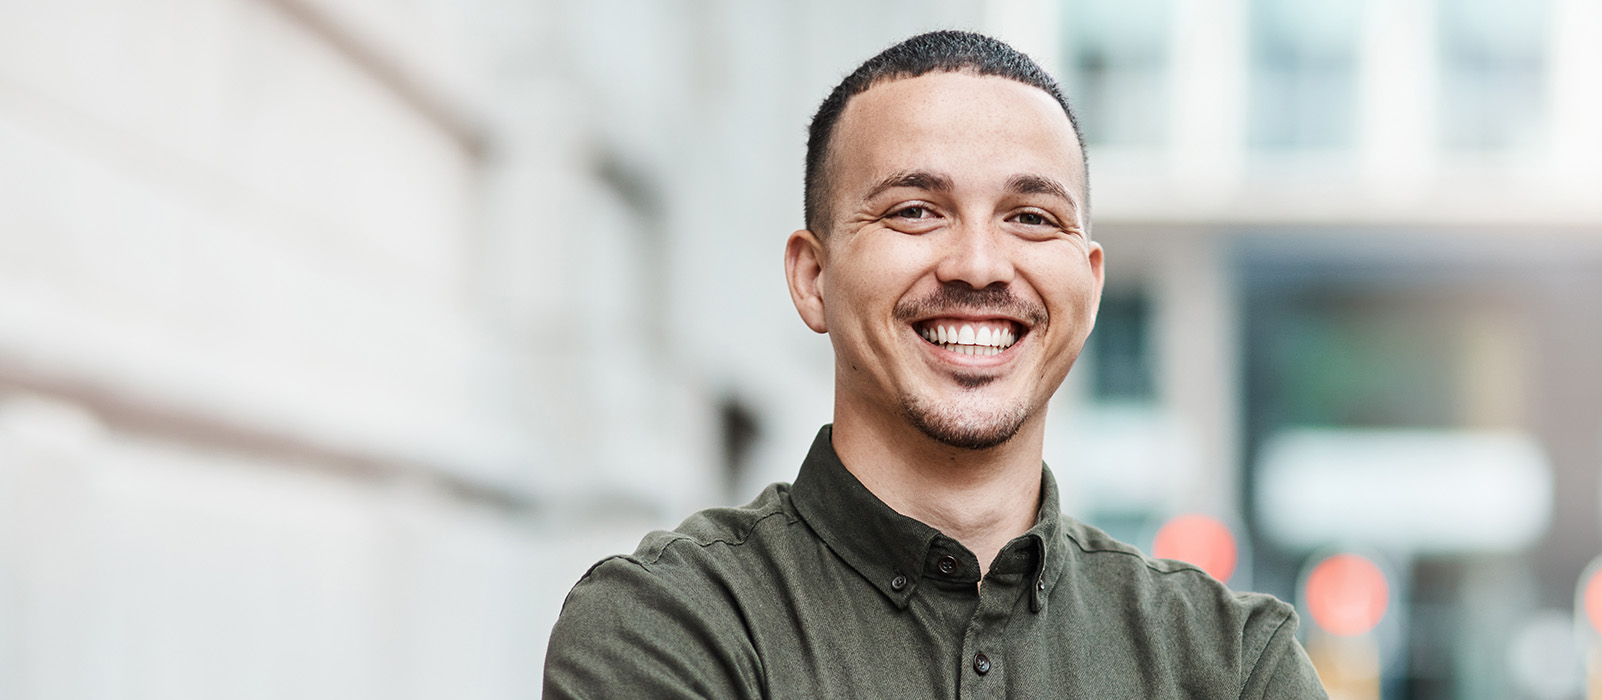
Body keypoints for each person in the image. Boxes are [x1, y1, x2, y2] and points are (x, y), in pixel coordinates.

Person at [542, 30, 1328, 699]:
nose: (980, 264)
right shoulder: (670, 625)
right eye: (916, 211)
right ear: (813, 279)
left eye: (1030, 217)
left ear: (1088, 288)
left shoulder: (1233, 661)